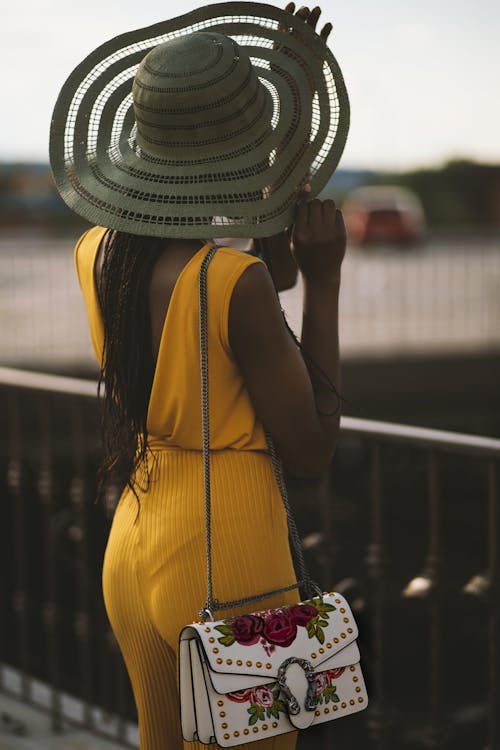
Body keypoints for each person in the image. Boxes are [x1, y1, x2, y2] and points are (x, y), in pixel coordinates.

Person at [50, 3, 350, 748]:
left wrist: (295, 103)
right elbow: (312, 450)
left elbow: (244, 272)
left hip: (138, 537)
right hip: (229, 556)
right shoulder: (232, 282)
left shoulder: (98, 254)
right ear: (237, 154)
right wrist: (328, 278)